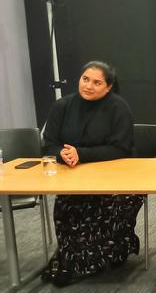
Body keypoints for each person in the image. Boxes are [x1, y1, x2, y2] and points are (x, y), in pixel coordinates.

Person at [40, 61, 141, 286]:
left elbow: (121, 148)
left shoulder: (118, 107)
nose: (89, 86)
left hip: (117, 178)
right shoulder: (62, 106)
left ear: (108, 87)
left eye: (97, 82)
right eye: (85, 79)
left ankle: (107, 254)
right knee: (68, 205)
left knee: (112, 204)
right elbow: (49, 145)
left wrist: (81, 154)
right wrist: (62, 155)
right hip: (74, 177)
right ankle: (72, 258)